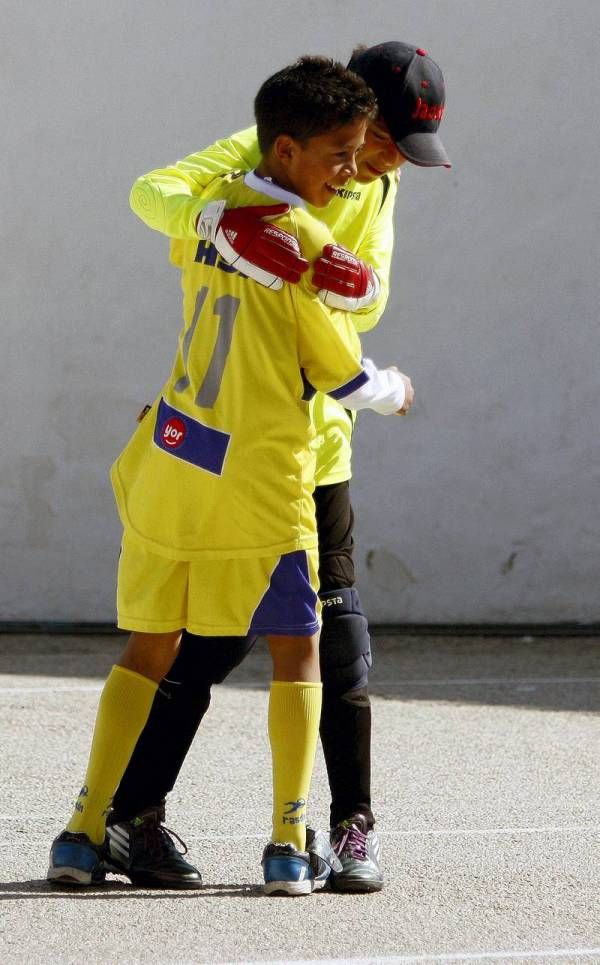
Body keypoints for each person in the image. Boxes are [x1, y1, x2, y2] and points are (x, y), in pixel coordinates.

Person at [47, 56, 414, 897]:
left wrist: (214, 219)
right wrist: (396, 390)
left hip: (177, 459)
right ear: (284, 150)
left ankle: (82, 828)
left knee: (153, 646)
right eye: (350, 151)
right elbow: (342, 373)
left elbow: (183, 230)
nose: (359, 168)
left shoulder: (219, 215)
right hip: (264, 476)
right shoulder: (298, 231)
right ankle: (289, 841)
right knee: (302, 646)